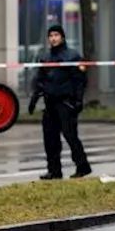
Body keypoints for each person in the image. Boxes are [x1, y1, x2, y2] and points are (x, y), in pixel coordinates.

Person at [28, 24, 91, 180]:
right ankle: (54, 171)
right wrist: (34, 100)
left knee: (70, 136)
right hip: (50, 103)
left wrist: (78, 101)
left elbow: (80, 80)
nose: (53, 38)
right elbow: (39, 81)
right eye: (51, 36)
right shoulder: (45, 57)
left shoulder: (72, 56)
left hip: (66, 103)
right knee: (50, 139)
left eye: (56, 35)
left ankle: (82, 166)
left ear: (62, 37)